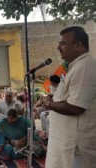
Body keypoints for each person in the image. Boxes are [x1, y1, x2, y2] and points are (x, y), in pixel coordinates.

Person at [43, 27, 96, 167]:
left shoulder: (85, 66)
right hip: (68, 144)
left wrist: (50, 104)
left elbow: (75, 107)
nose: (58, 47)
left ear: (78, 45)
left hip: (75, 149)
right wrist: (54, 98)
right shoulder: (78, 65)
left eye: (63, 43)